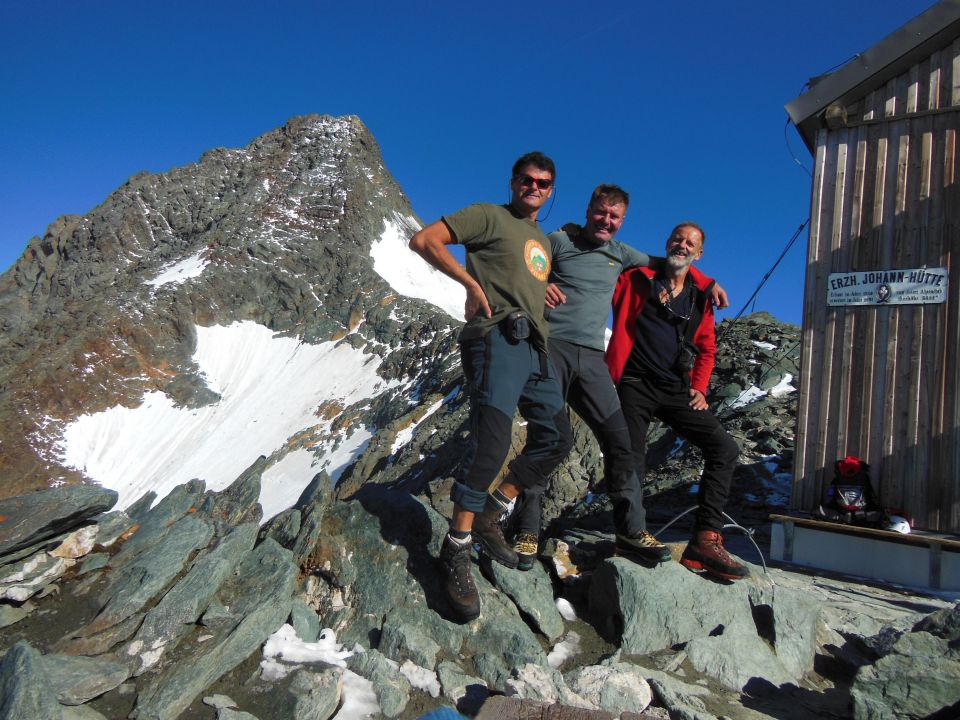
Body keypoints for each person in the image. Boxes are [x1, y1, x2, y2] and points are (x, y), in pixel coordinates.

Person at [509, 186, 727, 570]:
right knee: (547, 438)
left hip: (592, 359)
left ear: (622, 221)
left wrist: (708, 283)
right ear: (589, 209)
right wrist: (541, 284)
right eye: (601, 212)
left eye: (615, 216)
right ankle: (526, 529)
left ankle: (630, 532)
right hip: (551, 349)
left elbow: (673, 263)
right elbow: (523, 263)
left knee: (621, 444)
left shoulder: (623, 255)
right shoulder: (559, 240)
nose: (606, 220)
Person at [409, 151, 569, 621]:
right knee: (492, 445)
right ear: (514, 180)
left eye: (543, 183)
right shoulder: (487, 215)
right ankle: (456, 548)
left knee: (558, 438)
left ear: (551, 190)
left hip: (535, 347)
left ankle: (491, 513)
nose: (534, 187)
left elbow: (520, 273)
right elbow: (425, 240)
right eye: (527, 179)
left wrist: (544, 290)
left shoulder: (540, 238)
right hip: (497, 340)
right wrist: (470, 285)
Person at [607, 222, 748, 580]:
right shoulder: (635, 278)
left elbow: (707, 347)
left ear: (699, 253)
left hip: (676, 390)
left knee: (724, 449)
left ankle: (705, 539)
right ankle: (629, 535)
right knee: (631, 459)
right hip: (633, 382)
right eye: (677, 239)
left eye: (691, 243)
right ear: (666, 242)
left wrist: (700, 387)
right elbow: (608, 257)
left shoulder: (700, 297)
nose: (682, 246)